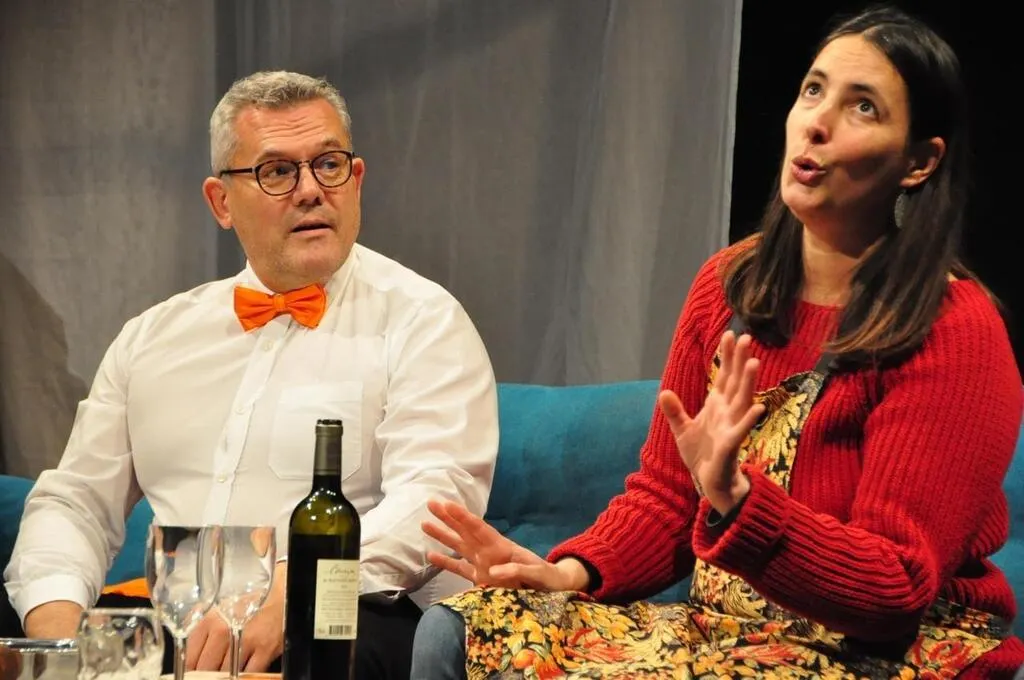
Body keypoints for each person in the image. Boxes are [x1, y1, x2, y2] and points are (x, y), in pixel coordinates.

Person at [410, 6, 1024, 679]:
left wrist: (739, 499)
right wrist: (570, 573)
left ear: (919, 162)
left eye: (863, 108)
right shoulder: (729, 285)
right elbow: (668, 498)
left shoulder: (953, 328)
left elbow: (894, 587)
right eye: (813, 90)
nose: (816, 122)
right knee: (463, 629)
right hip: (731, 635)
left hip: (899, 650)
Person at [2, 70, 499, 680]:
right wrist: (58, 634)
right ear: (221, 202)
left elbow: (434, 505)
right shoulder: (152, 337)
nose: (311, 190)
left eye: (329, 165)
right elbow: (77, 499)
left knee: (327, 638)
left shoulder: (423, 319)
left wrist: (296, 589)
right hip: (178, 622)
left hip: (345, 617)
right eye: (277, 171)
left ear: (357, 180)